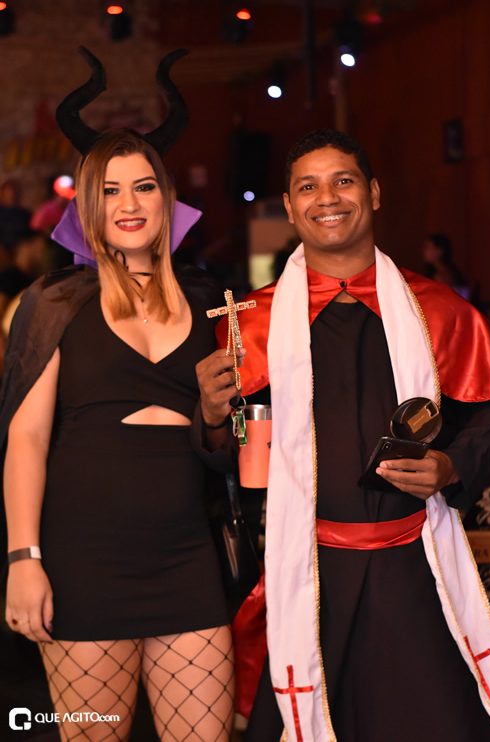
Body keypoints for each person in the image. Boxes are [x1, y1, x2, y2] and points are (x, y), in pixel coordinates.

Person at [196, 129, 490, 741]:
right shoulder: (249, 325)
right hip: (307, 575)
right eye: (308, 186)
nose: (326, 197)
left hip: (417, 570)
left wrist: (452, 466)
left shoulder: (440, 310)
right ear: (289, 206)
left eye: (343, 181)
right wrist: (210, 415)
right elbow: (230, 460)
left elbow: (488, 415)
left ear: (374, 193)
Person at [1, 49, 233, 741]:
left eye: (144, 187)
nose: (129, 204)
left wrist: (215, 416)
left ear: (167, 198)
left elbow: (224, 445)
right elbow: (26, 438)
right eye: (110, 189)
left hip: (187, 555)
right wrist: (22, 560)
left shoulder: (210, 302)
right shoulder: (52, 303)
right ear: (88, 204)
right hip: (83, 562)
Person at [421, 232, 471, 299]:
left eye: (427, 247)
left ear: (439, 251)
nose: (424, 251)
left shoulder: (442, 276)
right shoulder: (441, 272)